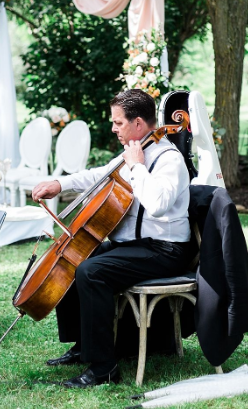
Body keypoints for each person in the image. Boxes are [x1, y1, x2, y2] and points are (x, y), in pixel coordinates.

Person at [31, 89, 194, 387]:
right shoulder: (136, 149)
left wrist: (136, 166)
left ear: (139, 123)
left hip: (165, 249)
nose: (114, 128)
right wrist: (59, 183)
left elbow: (157, 203)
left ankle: (104, 368)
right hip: (134, 246)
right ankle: (83, 346)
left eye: (118, 123)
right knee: (74, 256)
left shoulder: (169, 159)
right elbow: (99, 176)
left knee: (92, 272)